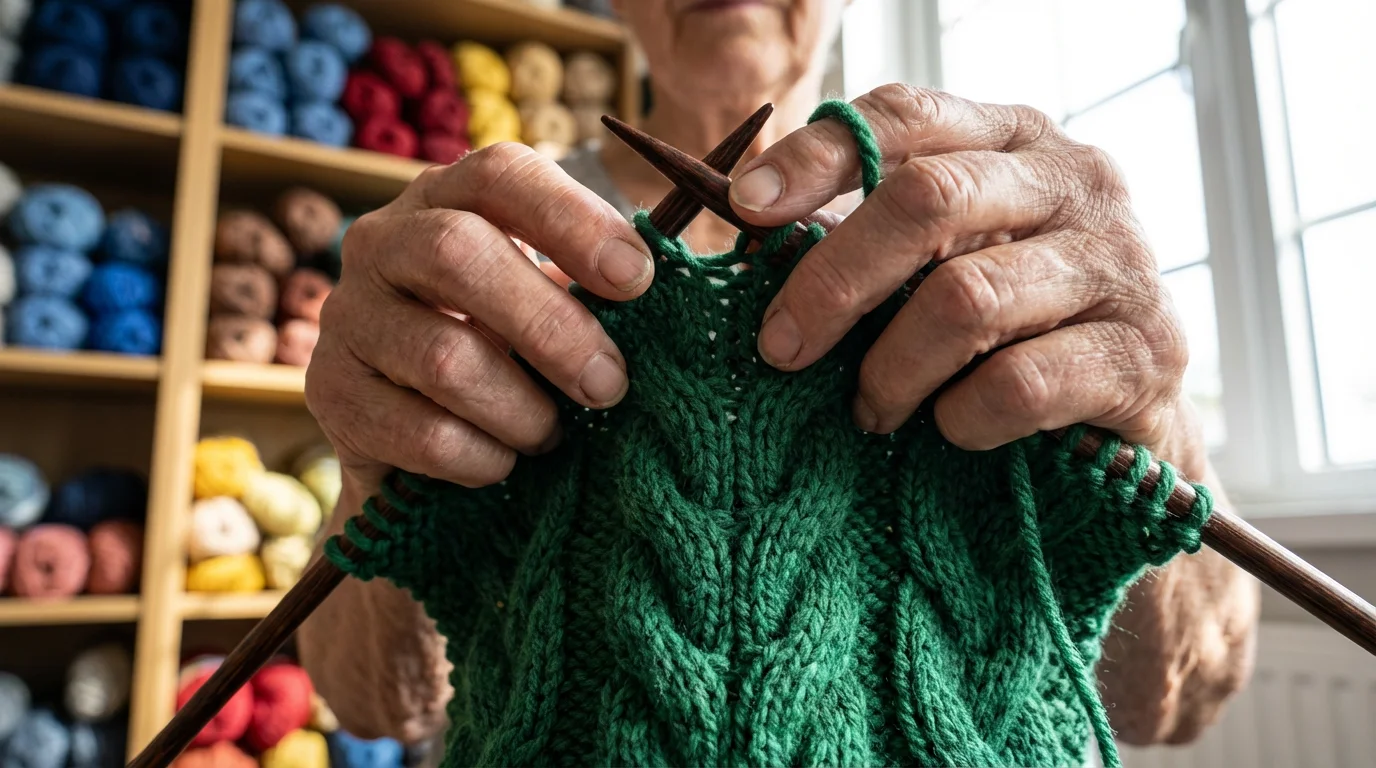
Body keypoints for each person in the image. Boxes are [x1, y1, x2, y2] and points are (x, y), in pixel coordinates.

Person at [297, 0, 1260, 755]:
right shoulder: (482, 249)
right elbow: (377, 702)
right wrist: (380, 470)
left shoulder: (999, 238)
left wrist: (1154, 425)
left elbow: (1181, 698)